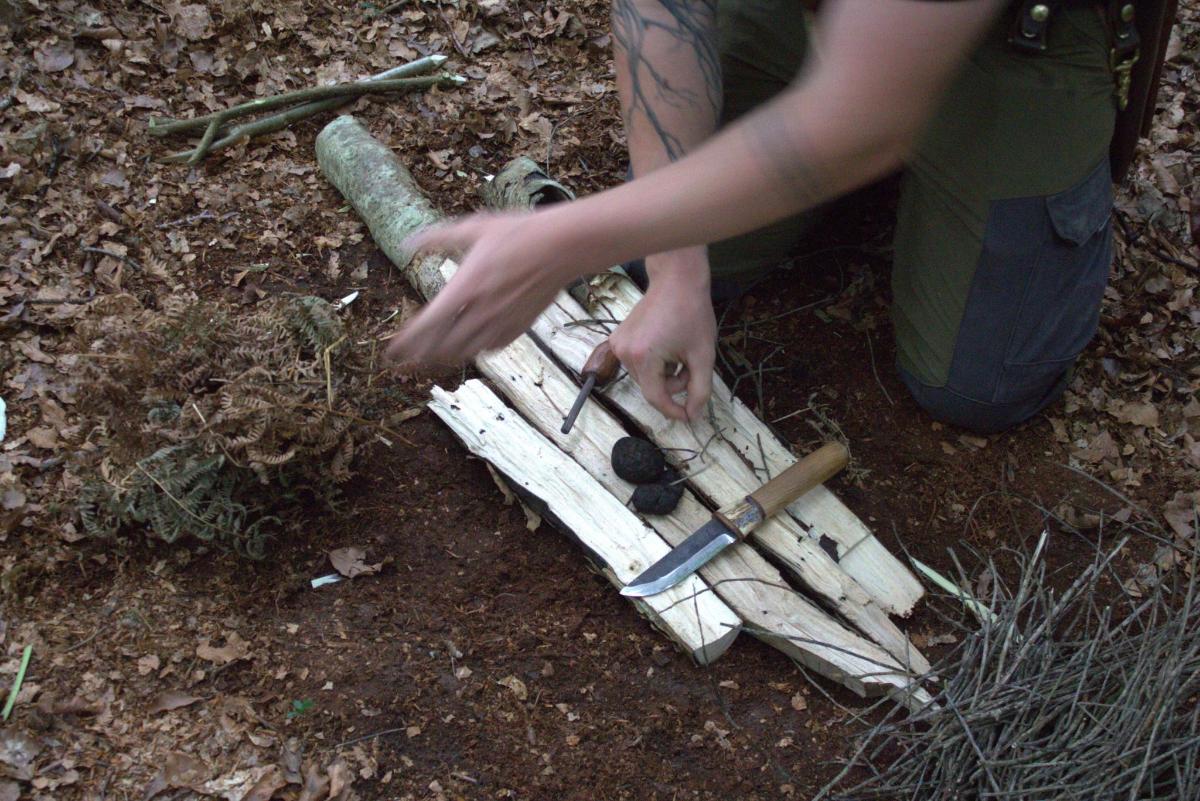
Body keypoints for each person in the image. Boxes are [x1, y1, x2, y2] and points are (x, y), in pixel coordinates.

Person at [385, 0, 1168, 434]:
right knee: (657, 242)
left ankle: (960, 151)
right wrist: (677, 267)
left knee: (975, 389)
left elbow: (863, 121)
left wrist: (557, 243)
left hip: (1024, 34)